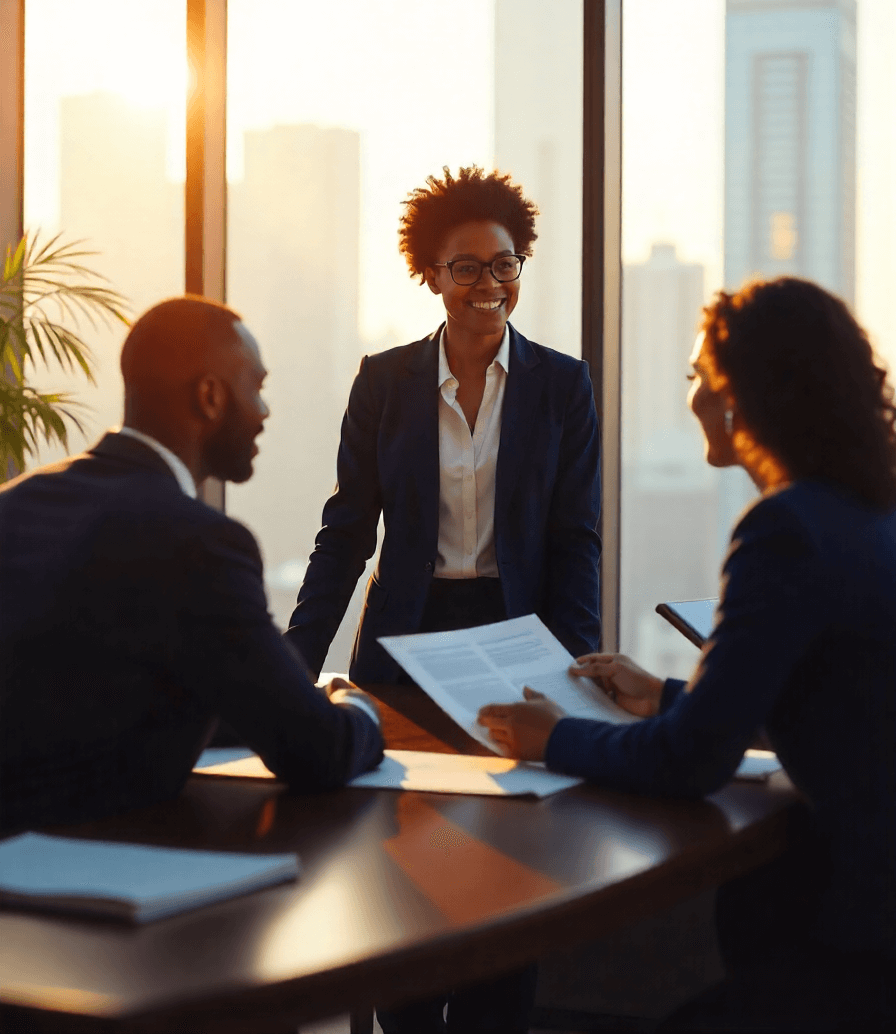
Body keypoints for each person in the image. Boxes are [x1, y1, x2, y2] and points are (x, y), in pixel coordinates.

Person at [478, 276, 896, 1031]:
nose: (693, 397)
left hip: (856, 936)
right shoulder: (869, 513)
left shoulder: (785, 529)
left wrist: (553, 737)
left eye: (698, 377)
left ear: (741, 395)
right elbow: (837, 701)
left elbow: (693, 762)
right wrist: (666, 696)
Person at [287, 166, 602, 1033]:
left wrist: (572, 674)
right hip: (405, 648)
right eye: (466, 267)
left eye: (504, 265)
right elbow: (346, 534)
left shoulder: (561, 386)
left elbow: (577, 542)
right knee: (404, 883)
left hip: (513, 642)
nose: (488, 285)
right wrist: (287, 671)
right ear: (431, 274)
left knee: (509, 880)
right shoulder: (384, 382)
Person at [0, 297, 383, 834]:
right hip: (98, 877)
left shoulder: (14, 504)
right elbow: (317, 750)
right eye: (258, 387)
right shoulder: (202, 543)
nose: (265, 412)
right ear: (210, 396)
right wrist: (360, 708)